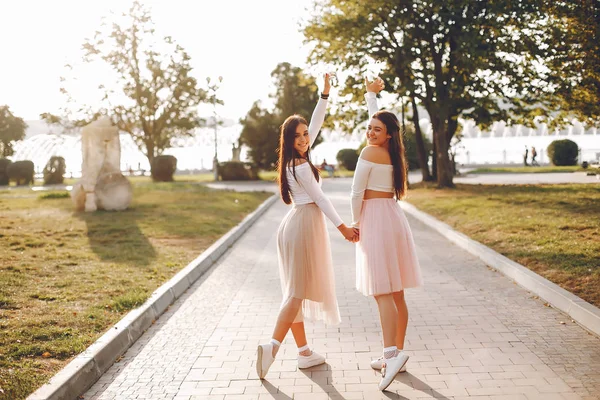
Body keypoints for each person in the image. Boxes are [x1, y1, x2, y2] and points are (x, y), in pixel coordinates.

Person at [256, 73, 359, 379]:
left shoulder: (293, 160)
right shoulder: (300, 166)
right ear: (288, 141)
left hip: (295, 224)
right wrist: (343, 228)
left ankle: (303, 353)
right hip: (301, 226)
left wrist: (324, 94)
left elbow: (316, 123)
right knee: (296, 294)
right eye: (297, 136)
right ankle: (272, 347)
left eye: (304, 135)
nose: (303, 139)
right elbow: (321, 199)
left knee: (294, 291)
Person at [350, 77, 423, 391]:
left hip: (375, 220)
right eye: (369, 129)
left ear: (388, 135)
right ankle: (394, 355)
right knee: (396, 293)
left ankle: (391, 355)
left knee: (382, 291)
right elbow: (379, 122)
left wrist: (354, 224)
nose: (370, 132)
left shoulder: (369, 152)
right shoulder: (394, 152)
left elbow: (356, 193)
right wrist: (371, 97)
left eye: (376, 131)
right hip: (392, 217)